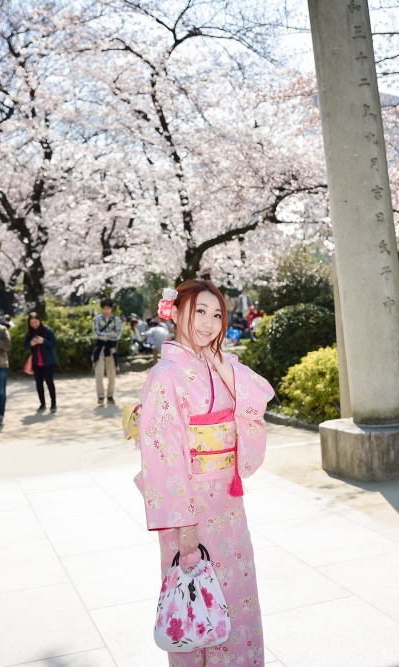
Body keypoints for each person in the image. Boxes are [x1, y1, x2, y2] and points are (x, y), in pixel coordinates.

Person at [124, 280, 274, 666]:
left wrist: (225, 369)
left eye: (217, 314)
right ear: (174, 313)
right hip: (189, 504)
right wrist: (183, 526)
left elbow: (259, 399)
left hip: (226, 496)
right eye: (199, 312)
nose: (209, 323)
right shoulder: (166, 375)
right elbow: (162, 456)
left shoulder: (219, 363)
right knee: (194, 600)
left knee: (236, 591)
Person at [24, 312, 58, 412]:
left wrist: (43, 341)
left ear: (40, 320)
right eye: (32, 322)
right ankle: (42, 403)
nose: (34, 324)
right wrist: (31, 343)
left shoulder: (47, 330)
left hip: (48, 361)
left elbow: (53, 344)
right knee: (39, 383)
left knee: (49, 382)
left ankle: (53, 403)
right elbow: (26, 346)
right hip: (36, 361)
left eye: (36, 322)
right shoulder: (29, 333)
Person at [92, 298, 122, 405]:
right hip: (99, 349)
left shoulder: (117, 320)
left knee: (112, 375)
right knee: (99, 374)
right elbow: (96, 334)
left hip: (111, 349)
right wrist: (110, 335)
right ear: (102, 309)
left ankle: (110, 395)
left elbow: (117, 335)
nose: (106, 310)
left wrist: (105, 336)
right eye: (104, 308)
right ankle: (100, 396)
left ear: (111, 309)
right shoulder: (96, 319)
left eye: (108, 308)